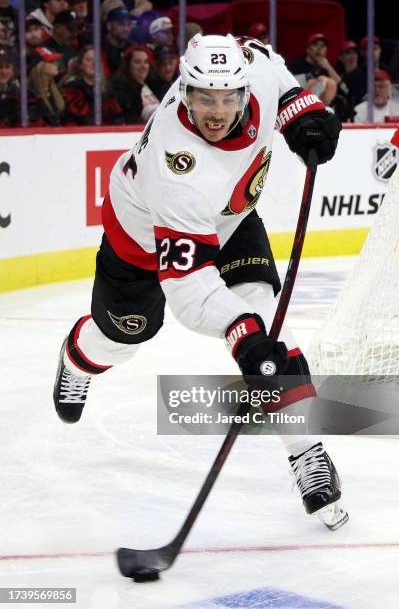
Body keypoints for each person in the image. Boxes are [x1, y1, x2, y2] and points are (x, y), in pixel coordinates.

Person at [53, 34, 347, 531]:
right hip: (143, 241)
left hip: (230, 217)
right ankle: (77, 356)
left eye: (228, 97)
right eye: (205, 98)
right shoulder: (178, 168)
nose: (217, 110)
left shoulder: (248, 68)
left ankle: (306, 452)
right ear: (184, 91)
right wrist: (240, 334)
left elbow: (269, 63)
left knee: (265, 314)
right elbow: (189, 286)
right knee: (123, 338)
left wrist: (300, 106)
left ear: (241, 89)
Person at [60, 44, 123, 125]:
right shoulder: (72, 88)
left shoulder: (106, 89)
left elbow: (117, 117)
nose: (94, 64)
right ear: (80, 65)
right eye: (89, 60)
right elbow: (80, 119)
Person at [109, 44, 159, 123]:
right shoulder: (122, 90)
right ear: (128, 65)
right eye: (138, 62)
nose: (143, 66)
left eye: (146, 62)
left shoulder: (154, 86)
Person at [289, 33, 338, 106]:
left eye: (323, 46)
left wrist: (329, 68)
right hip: (300, 105)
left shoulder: (328, 69)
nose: (319, 48)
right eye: (315, 45)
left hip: (323, 107)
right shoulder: (295, 66)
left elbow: (343, 89)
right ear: (308, 49)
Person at [28, 46, 65, 125]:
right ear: (40, 66)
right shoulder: (30, 94)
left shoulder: (58, 89)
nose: (57, 63)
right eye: (51, 62)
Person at [102, 6, 131, 77]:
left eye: (129, 24)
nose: (126, 29)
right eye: (121, 24)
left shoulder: (131, 47)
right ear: (109, 26)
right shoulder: (100, 49)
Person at [0, 47, 19, 126]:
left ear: (13, 70)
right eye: (0, 67)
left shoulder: (19, 91)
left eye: (7, 67)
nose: (3, 72)